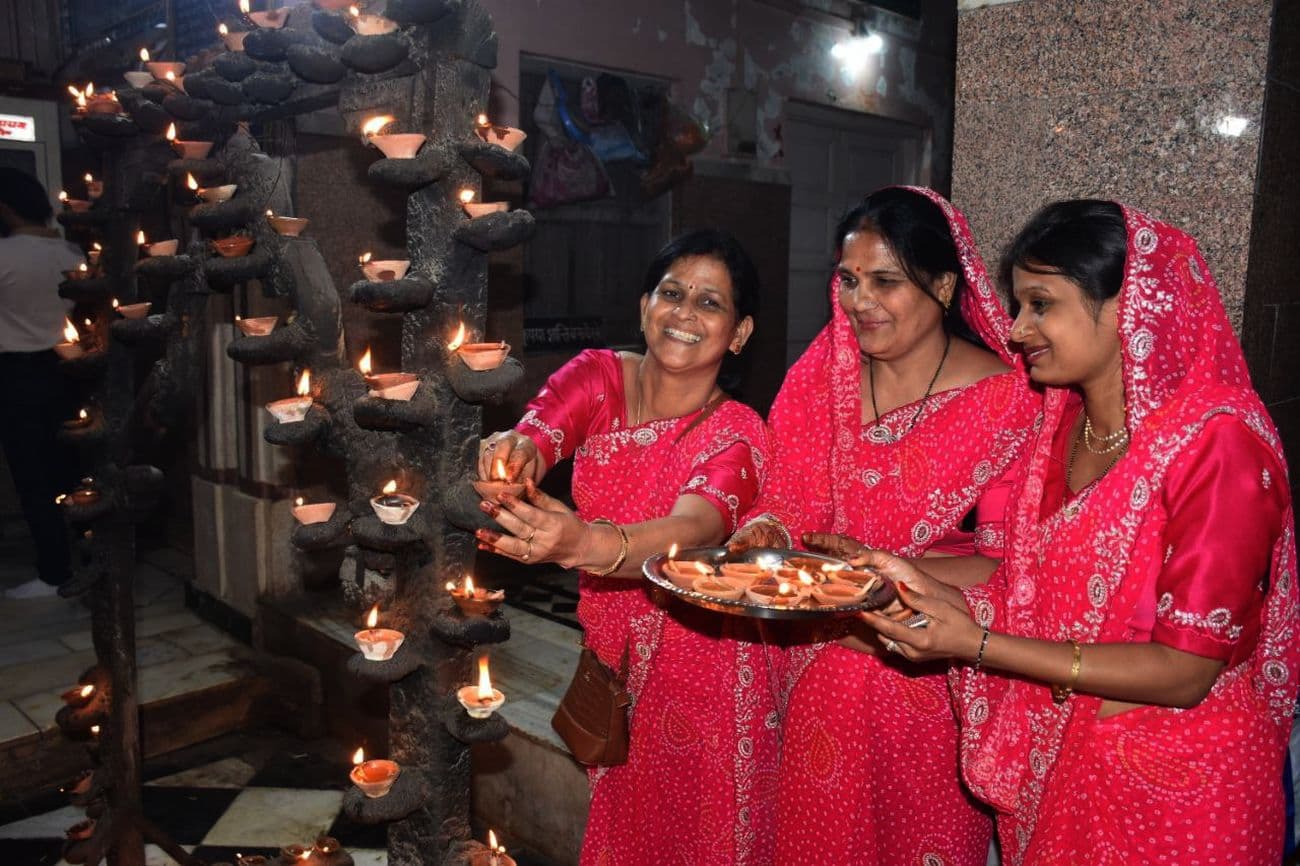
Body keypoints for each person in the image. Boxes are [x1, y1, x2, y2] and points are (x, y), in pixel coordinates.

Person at [860, 200, 1298, 865]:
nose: (1015, 329)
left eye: (1041, 304)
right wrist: (921, 589)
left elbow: (1185, 670)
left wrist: (976, 643)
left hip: (1184, 787)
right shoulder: (1060, 428)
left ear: (1130, 307)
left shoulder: (1217, 441)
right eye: (1018, 304)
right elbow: (1031, 598)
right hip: (1066, 767)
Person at [731, 186, 1041, 866]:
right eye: (847, 280)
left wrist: (873, 575)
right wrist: (765, 532)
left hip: (921, 688)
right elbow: (784, 504)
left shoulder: (1008, 403)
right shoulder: (821, 380)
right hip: (812, 679)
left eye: (885, 281)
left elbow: (1009, 566)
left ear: (942, 284)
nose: (859, 301)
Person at [475, 229, 778, 866]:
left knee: (696, 839)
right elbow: (542, 429)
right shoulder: (600, 375)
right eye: (672, 293)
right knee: (624, 828)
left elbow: (695, 528)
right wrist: (516, 454)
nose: (685, 314)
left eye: (710, 303)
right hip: (614, 658)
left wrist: (583, 541)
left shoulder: (737, 433)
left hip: (705, 672)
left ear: (741, 332)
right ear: (644, 306)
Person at [0, 168, 84, 600]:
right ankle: (90, 561)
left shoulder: (4, 256)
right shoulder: (72, 253)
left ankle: (55, 571)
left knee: (34, 476)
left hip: (18, 374)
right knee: (74, 469)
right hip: (71, 369)